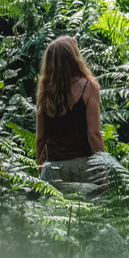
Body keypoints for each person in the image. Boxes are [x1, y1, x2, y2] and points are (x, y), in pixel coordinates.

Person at [35, 36, 113, 187]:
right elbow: (94, 135)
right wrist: (103, 172)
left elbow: (40, 138)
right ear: (74, 57)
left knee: (54, 211)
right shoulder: (89, 87)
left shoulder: (44, 90)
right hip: (84, 166)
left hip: (53, 168)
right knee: (88, 211)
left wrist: (40, 168)